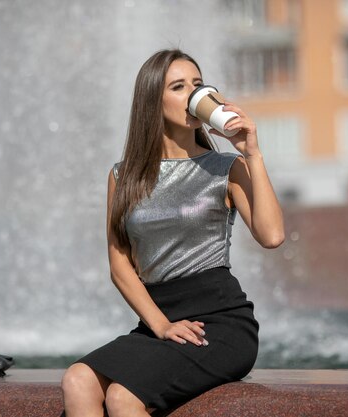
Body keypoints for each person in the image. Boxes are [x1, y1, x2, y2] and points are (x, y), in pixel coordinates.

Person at [61, 49, 285, 417]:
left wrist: (253, 153)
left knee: (121, 397)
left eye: (198, 85)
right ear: (153, 100)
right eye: (179, 87)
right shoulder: (123, 177)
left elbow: (272, 235)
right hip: (159, 322)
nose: (194, 95)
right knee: (77, 379)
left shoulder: (226, 167)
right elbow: (120, 266)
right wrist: (160, 324)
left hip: (220, 323)